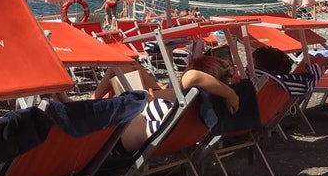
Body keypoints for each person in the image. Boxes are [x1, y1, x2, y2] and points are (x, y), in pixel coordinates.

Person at [59, 56, 239, 153]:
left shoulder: (190, 93)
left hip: (110, 138)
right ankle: (81, 103)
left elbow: (191, 76)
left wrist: (230, 93)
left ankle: (76, 104)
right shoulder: (201, 102)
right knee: (124, 64)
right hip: (119, 127)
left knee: (118, 77)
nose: (186, 70)